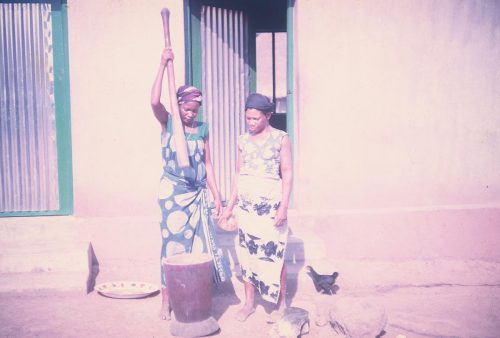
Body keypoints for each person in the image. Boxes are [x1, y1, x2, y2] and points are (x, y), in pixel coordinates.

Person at [151, 48, 230, 321]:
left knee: (198, 249)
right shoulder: (169, 123)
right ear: (179, 106)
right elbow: (153, 102)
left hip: (197, 194)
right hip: (173, 194)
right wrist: (162, 65)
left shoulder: (203, 129)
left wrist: (216, 194)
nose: (190, 115)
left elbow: (208, 164)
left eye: (194, 111)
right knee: (171, 247)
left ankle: (195, 296)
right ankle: (166, 301)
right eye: (186, 109)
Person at [220, 93, 293, 323]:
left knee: (274, 254)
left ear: (267, 116)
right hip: (247, 207)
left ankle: (281, 303)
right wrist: (230, 206)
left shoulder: (281, 138)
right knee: (247, 254)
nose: (251, 123)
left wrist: (283, 207)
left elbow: (288, 173)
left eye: (255, 119)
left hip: (270, 207)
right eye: (248, 119)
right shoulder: (242, 141)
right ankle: (249, 303)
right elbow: (238, 174)